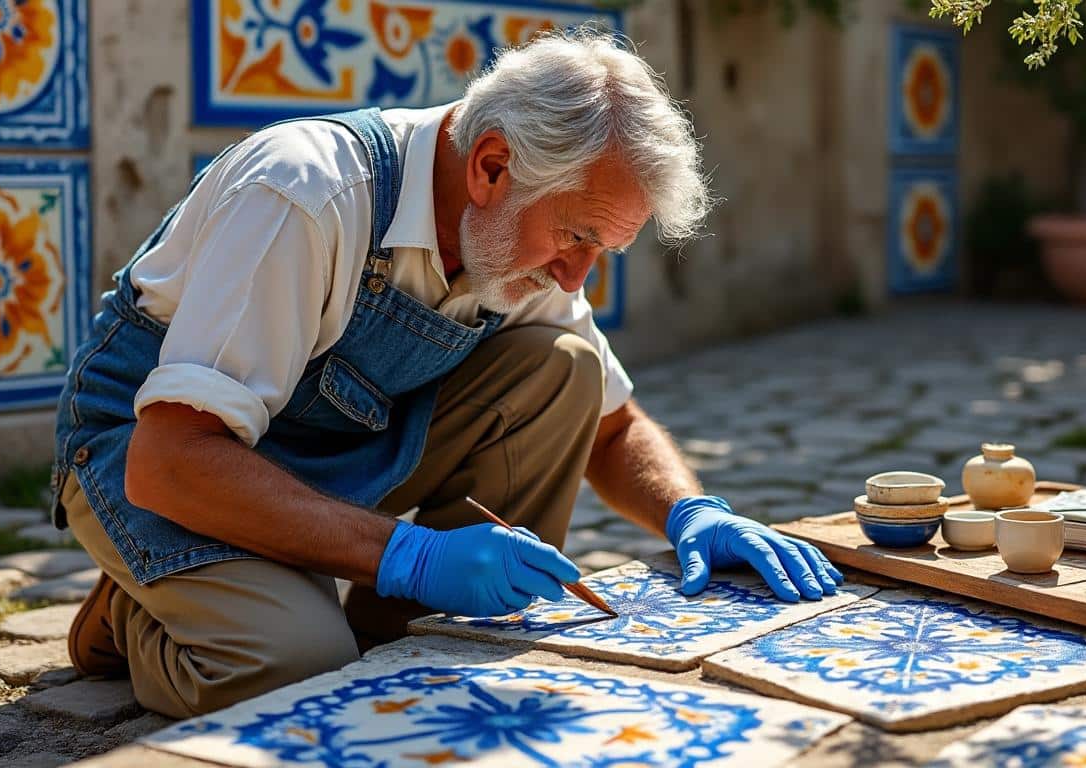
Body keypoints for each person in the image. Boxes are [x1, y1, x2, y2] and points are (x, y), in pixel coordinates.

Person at [53, 30, 843, 719]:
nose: (576, 278)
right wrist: (414, 556)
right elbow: (172, 461)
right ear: (492, 167)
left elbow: (610, 422)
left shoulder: (511, 249)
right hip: (148, 462)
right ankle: (136, 613)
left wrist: (691, 511)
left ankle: (403, 631)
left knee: (559, 367)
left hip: (319, 460)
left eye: (601, 252)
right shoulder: (304, 193)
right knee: (292, 670)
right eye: (574, 238)